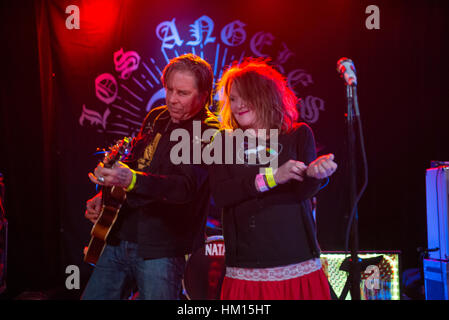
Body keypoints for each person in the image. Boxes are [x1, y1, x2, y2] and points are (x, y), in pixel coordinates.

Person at [82, 54, 219, 300]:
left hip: (163, 248)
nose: (172, 100)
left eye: (183, 93)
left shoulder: (210, 132)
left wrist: (130, 179)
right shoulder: (157, 116)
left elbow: (183, 188)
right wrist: (104, 196)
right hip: (120, 234)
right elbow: (137, 164)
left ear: (205, 95)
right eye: (169, 90)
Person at [209, 59, 337, 300]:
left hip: (296, 260)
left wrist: (314, 174)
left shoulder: (298, 134)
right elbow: (221, 195)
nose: (238, 105)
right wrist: (272, 177)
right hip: (247, 267)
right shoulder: (223, 142)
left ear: (264, 95)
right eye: (233, 99)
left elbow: (302, 193)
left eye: (244, 96)